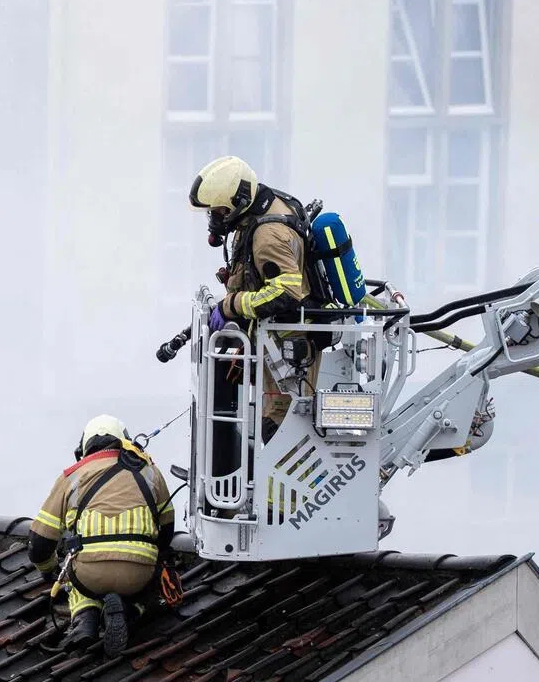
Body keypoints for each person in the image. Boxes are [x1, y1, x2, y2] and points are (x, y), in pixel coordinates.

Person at [188, 155, 321, 443]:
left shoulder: (267, 235)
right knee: (275, 425)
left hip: (288, 352)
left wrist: (231, 306)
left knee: (280, 430)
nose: (215, 219)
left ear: (237, 202)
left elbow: (285, 293)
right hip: (276, 346)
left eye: (218, 211)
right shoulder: (258, 211)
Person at [28, 415, 175, 656]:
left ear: (83, 448)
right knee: (154, 581)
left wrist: (49, 570)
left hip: (90, 574)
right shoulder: (150, 472)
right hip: (138, 573)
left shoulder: (71, 476)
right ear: (125, 442)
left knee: (73, 570)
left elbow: (39, 543)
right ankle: (129, 611)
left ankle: (85, 618)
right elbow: (167, 531)